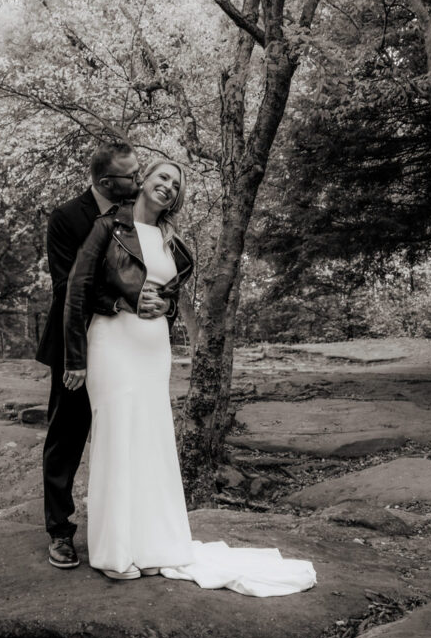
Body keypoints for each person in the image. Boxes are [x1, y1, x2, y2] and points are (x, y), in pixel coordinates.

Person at [63, 160, 316, 596]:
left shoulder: (175, 246)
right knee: (117, 436)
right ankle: (115, 550)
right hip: (112, 344)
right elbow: (78, 289)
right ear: (142, 180)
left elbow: (170, 294)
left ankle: (153, 544)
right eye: (162, 177)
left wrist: (166, 307)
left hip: (153, 348)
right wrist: (78, 355)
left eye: (176, 184)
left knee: (151, 440)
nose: (168, 186)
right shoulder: (108, 227)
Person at [36, 142, 170, 570]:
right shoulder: (67, 218)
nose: (138, 181)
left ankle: (128, 531)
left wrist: (158, 303)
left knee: (126, 438)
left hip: (129, 346)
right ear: (105, 181)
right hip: (76, 342)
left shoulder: (137, 217)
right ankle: (60, 532)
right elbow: (66, 286)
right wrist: (122, 302)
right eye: (132, 177)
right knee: (67, 439)